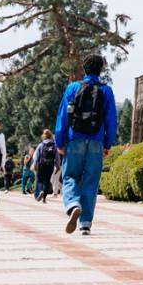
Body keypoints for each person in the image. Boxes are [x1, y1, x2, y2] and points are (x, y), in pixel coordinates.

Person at [54, 55, 117, 236]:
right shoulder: (107, 91)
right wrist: (108, 142)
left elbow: (62, 117)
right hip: (96, 141)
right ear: (100, 70)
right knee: (91, 181)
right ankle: (85, 224)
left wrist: (60, 141)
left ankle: (73, 204)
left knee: (70, 176)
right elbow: (111, 119)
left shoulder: (73, 88)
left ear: (84, 68)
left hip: (75, 140)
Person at [31, 129, 58, 203]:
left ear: (44, 136)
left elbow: (36, 156)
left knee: (40, 180)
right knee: (47, 181)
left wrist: (35, 164)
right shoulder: (54, 145)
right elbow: (57, 157)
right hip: (50, 165)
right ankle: (44, 199)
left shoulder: (41, 144)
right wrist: (58, 166)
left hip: (42, 165)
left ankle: (41, 191)